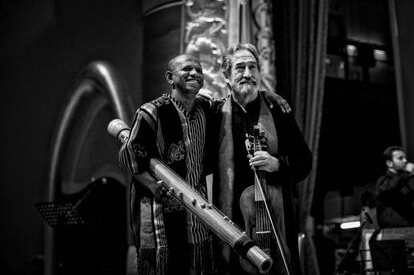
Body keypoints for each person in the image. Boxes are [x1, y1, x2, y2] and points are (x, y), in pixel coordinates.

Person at [211, 43, 312, 275]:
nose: (248, 73)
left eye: (253, 67)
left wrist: (278, 164)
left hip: (278, 220)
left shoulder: (278, 110)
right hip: (235, 221)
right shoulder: (216, 114)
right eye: (240, 68)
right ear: (226, 76)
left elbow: (304, 160)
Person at [119, 54, 216, 275]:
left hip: (197, 217)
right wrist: (154, 186)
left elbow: (237, 103)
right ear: (170, 77)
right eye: (187, 69)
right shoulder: (151, 112)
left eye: (199, 70)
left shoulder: (207, 109)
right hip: (159, 216)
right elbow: (129, 158)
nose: (195, 74)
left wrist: (269, 96)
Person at [375, 145, 414, 228]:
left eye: (405, 158)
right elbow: (388, 190)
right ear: (389, 163)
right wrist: (407, 173)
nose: (405, 161)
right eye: (400, 158)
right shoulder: (383, 181)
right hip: (393, 232)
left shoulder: (407, 179)